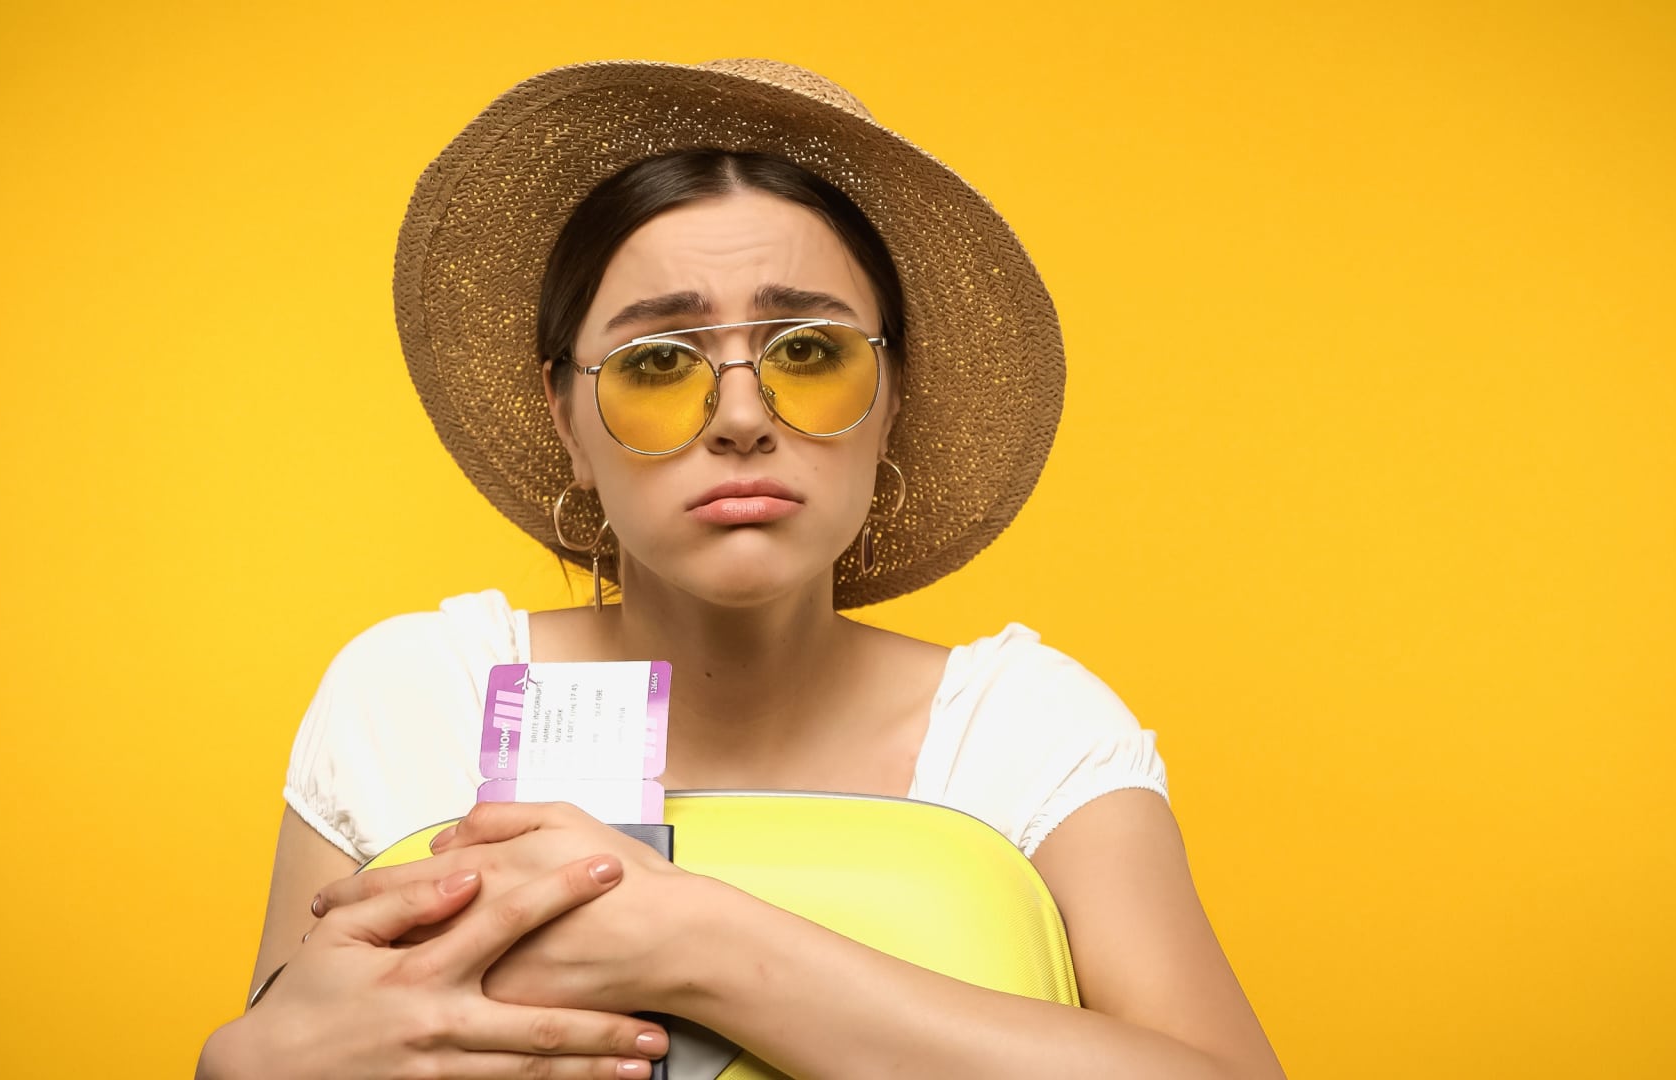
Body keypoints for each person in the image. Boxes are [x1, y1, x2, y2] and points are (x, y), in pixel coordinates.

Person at [197, 59, 1287, 1079]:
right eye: (658, 362)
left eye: (807, 351)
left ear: (893, 397)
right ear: (563, 419)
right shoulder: (417, 692)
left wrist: (697, 940)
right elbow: (277, 1052)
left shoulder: (1021, 728)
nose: (740, 417)